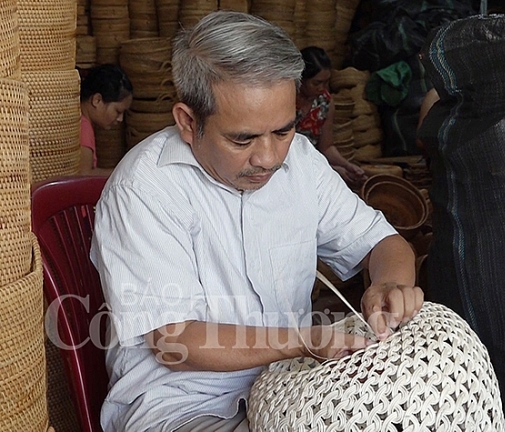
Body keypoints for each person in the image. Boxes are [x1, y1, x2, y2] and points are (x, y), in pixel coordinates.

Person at [90, 11, 423, 432]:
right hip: (184, 408)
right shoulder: (145, 188)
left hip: (288, 387)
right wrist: (303, 341)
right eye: (242, 139)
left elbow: (384, 243)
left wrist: (389, 285)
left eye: (283, 131)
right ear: (188, 122)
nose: (268, 157)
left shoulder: (301, 163)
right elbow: (176, 342)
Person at [296, 46, 367, 186]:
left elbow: (326, 147)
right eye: (316, 83)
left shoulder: (324, 102)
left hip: (313, 165)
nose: (322, 88)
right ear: (300, 78)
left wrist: (347, 165)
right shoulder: (284, 100)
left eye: (326, 82)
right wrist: (331, 170)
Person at [79, 63, 133, 175]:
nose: (120, 119)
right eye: (118, 111)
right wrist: (123, 175)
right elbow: (83, 175)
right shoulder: (83, 127)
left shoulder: (82, 121)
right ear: (97, 100)